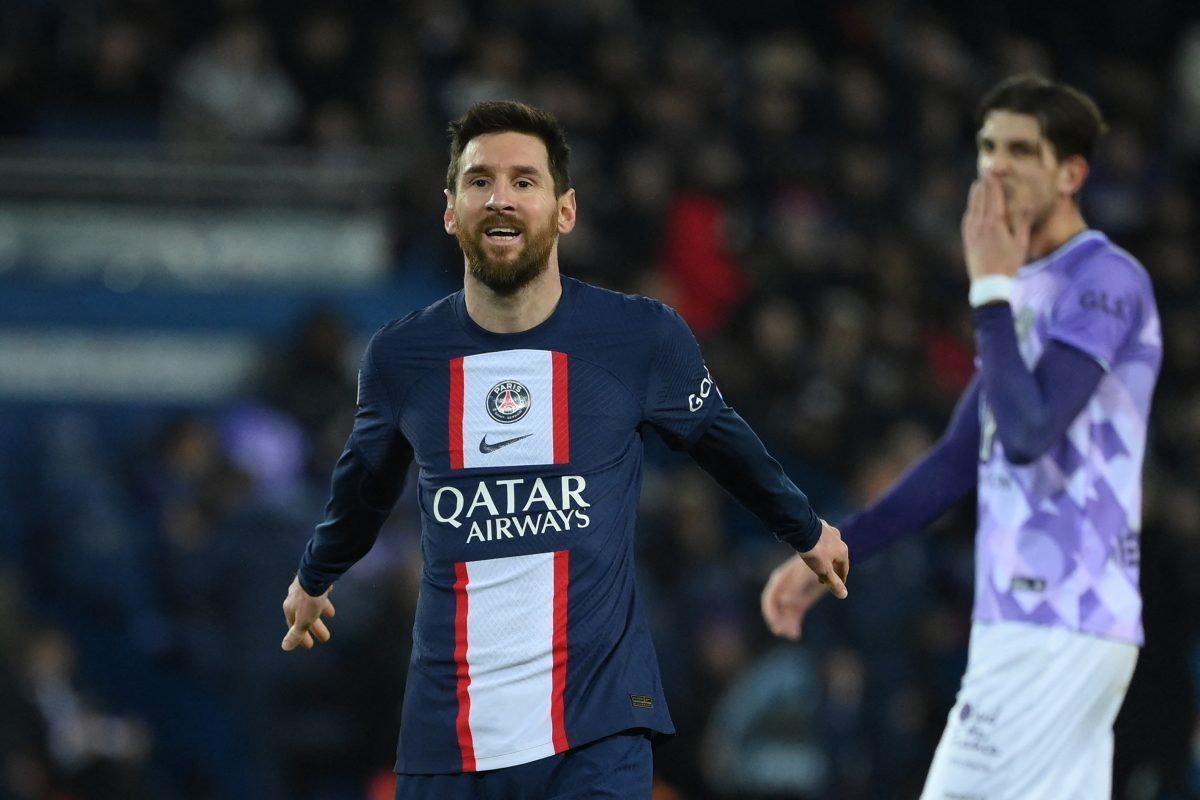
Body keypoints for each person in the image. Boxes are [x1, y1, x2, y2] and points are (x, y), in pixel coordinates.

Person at [280, 100, 849, 799]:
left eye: (525, 180)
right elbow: (363, 484)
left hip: (596, 720)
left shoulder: (640, 338)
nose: (502, 198)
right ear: (451, 210)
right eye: (480, 180)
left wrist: (804, 526)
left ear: (566, 210)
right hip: (450, 728)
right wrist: (315, 576)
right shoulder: (404, 355)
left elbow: (718, 436)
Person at [761, 73, 1162, 799]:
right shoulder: (1026, 287)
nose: (995, 167)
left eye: (1020, 149)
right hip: (1041, 620)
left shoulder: (1106, 279)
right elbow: (956, 460)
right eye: (986, 147)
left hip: (1057, 615)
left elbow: (1028, 436)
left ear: (1071, 173)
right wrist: (835, 550)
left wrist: (989, 292)